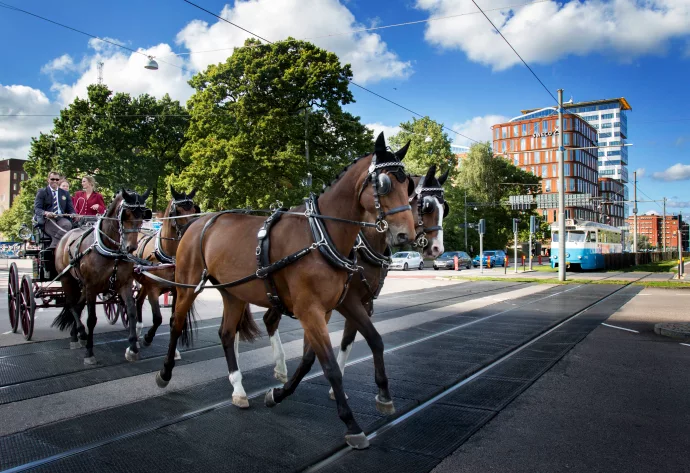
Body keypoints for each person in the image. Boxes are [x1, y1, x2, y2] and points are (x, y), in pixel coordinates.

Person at [34, 171, 75, 249]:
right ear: (48, 180)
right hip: (48, 219)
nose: (55, 181)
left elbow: (70, 209)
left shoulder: (65, 193)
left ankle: (53, 247)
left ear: (59, 181)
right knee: (62, 231)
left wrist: (73, 213)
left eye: (57, 179)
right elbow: (37, 209)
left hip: (61, 218)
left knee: (68, 225)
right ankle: (58, 249)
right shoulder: (42, 192)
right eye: (52, 179)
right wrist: (45, 213)